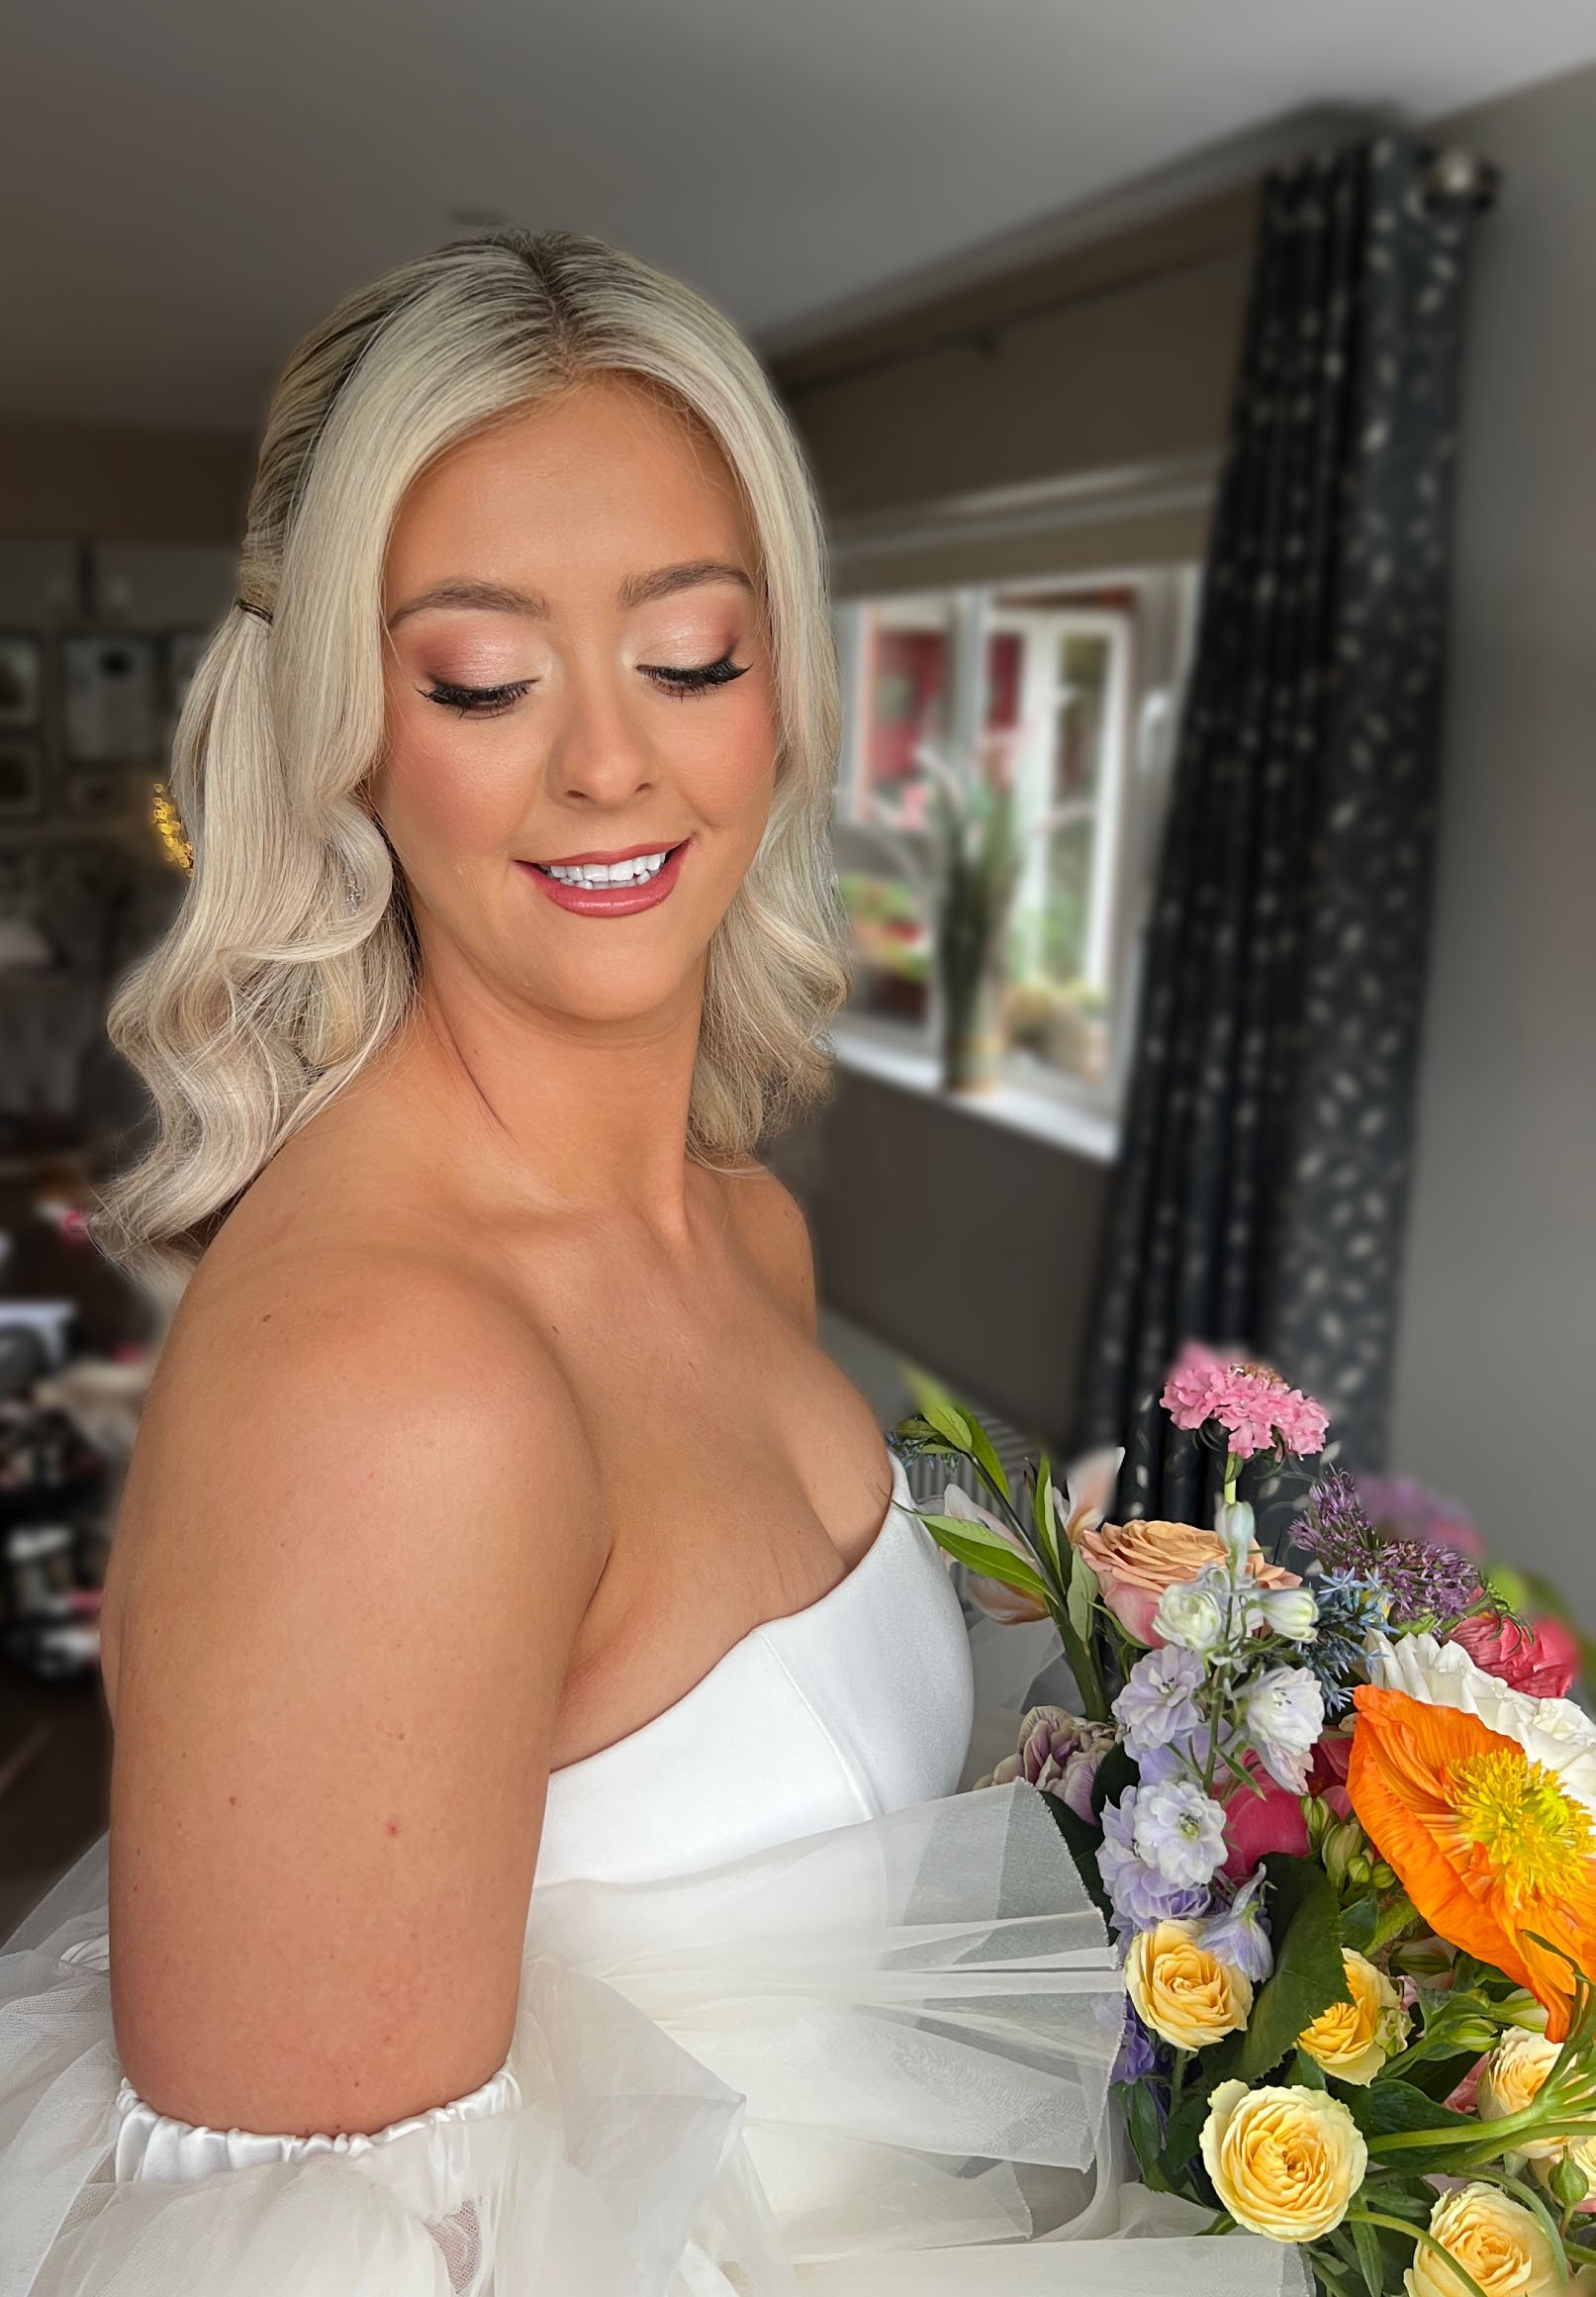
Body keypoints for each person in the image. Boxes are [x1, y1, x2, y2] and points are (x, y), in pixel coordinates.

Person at [0, 230, 1307, 2297]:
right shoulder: (392, 1389)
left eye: (689, 654)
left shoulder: (748, 1232)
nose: (610, 762)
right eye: (485, 678)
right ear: (346, 727)